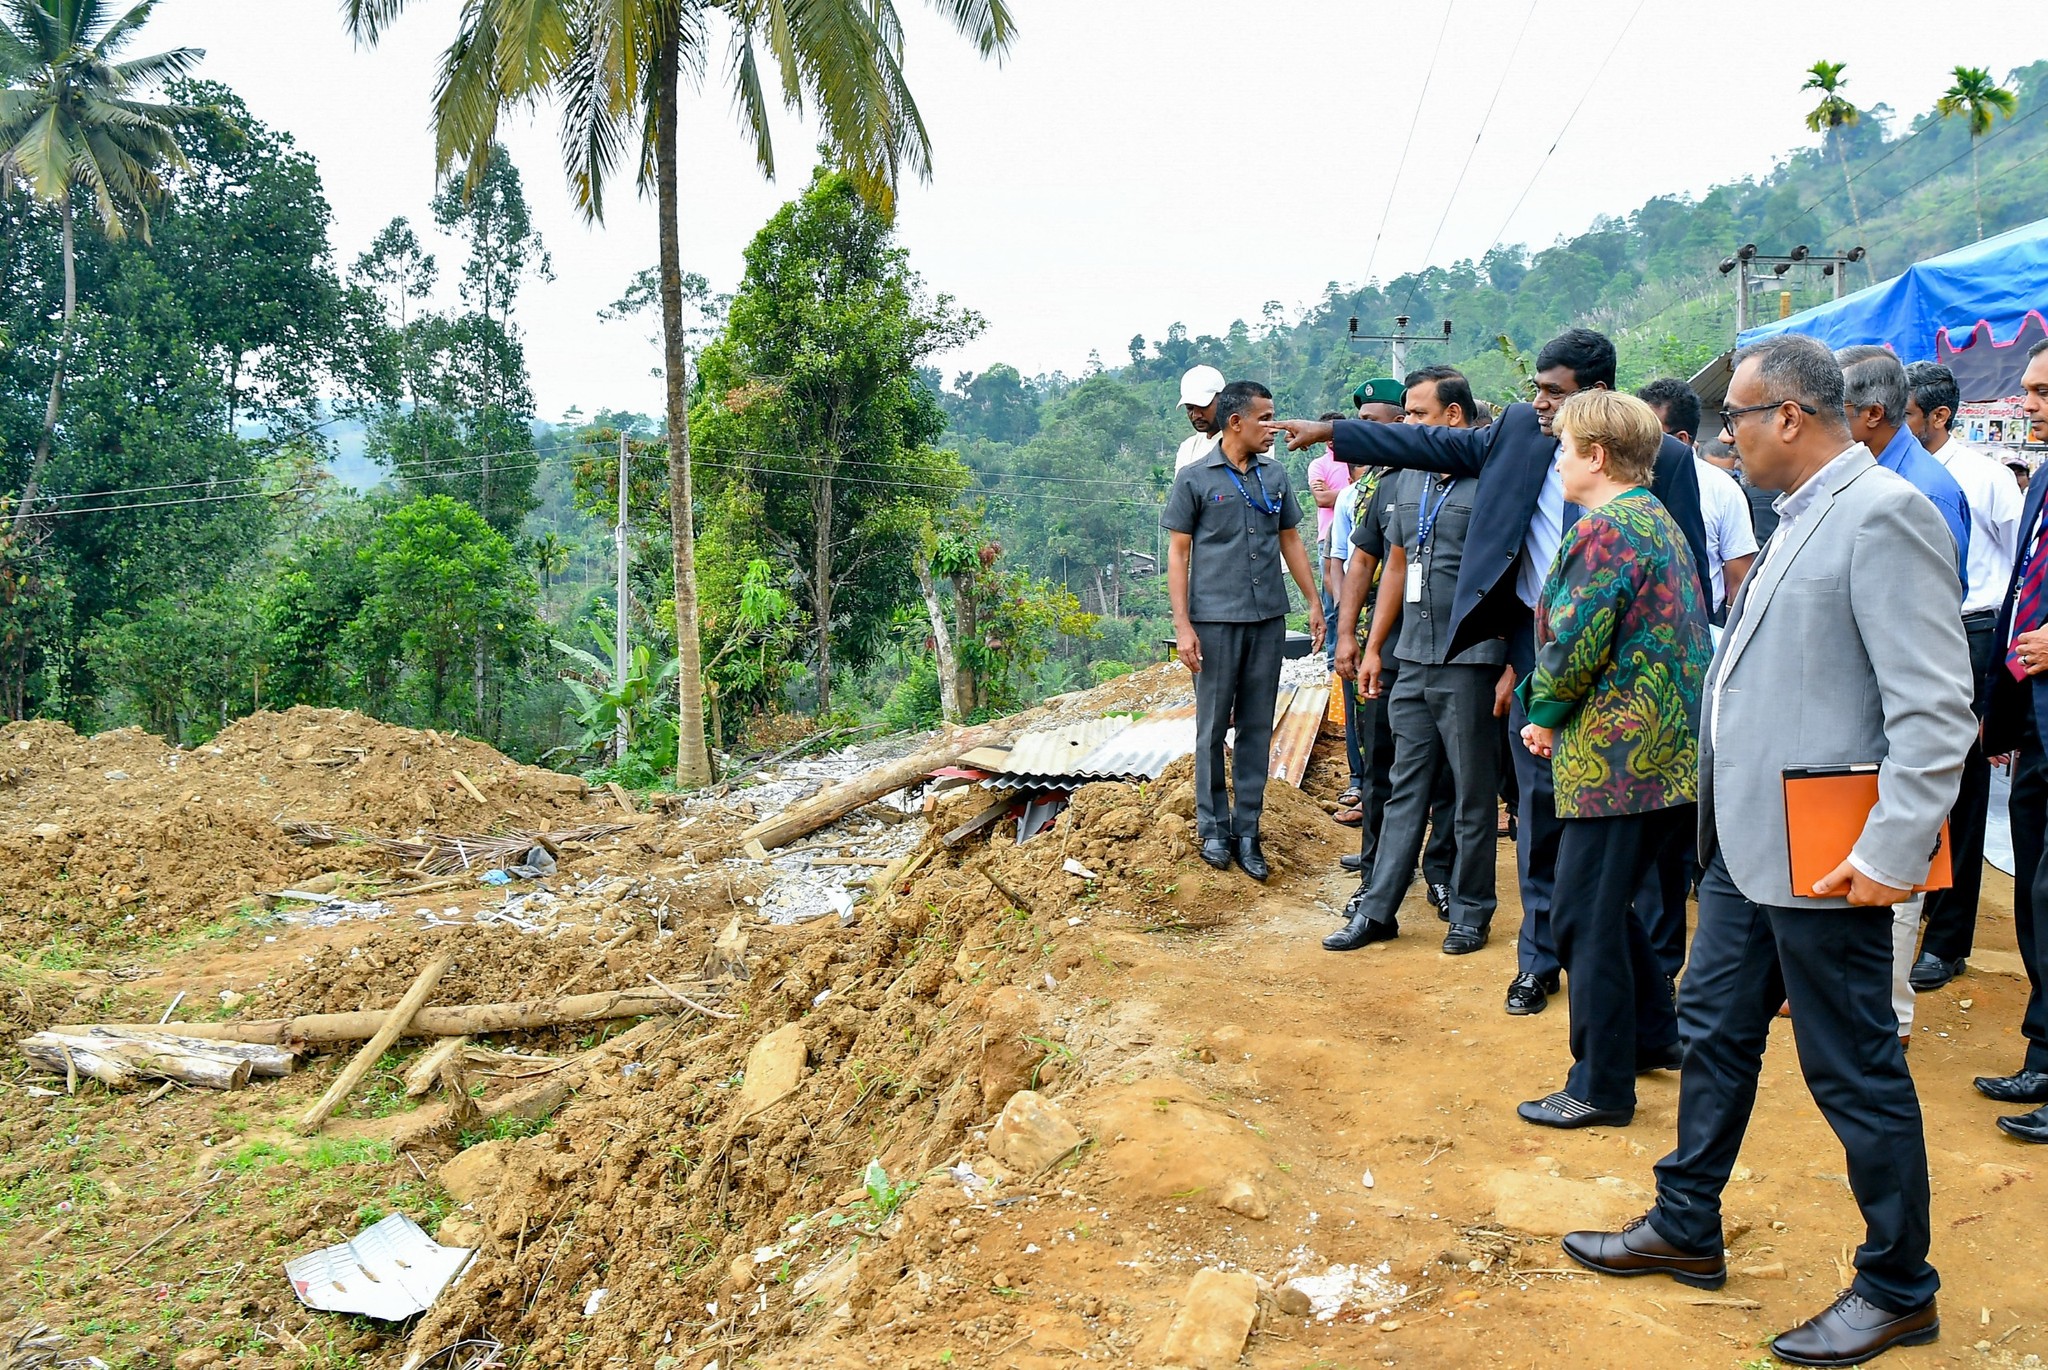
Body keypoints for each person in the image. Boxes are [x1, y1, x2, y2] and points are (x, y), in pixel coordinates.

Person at [1565, 334, 1971, 1367]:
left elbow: (1931, 710)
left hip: (1829, 857)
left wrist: (1889, 847)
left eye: (1738, 419)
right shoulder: (1796, 516)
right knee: (1710, 1028)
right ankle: (1684, 1219)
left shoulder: (1880, 515)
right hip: (1750, 849)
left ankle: (1896, 1284)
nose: (1725, 439)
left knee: (1851, 1068)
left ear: (1786, 414)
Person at [1279, 328, 1712, 1017]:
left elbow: (1683, 579)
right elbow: (1431, 445)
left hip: (1627, 679)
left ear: (1597, 395)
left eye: (1553, 392)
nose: (1537, 402)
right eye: (1535, 388)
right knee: (1539, 815)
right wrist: (1333, 432)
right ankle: (1538, 963)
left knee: (1641, 841)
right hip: (1536, 654)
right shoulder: (1519, 431)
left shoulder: (1659, 461)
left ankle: (1654, 982)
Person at [1515, 390, 1710, 1128]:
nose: (1559, 460)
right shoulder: (1654, 518)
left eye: (1565, 448)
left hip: (1619, 760)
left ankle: (1599, 1085)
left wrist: (1543, 712)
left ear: (1596, 456)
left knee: (1581, 916)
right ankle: (1653, 1037)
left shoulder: (1605, 529)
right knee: (1608, 903)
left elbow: (1575, 637)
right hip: (1665, 755)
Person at [1323, 364, 1509, 956]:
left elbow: (1518, 575)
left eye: (1419, 416)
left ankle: (1471, 910)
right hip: (1412, 657)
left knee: (1473, 794)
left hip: (1470, 659)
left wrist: (1511, 662)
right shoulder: (1406, 484)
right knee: (1405, 787)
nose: (1408, 426)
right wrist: (1374, 646)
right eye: (1405, 416)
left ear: (1454, 417)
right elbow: (1394, 567)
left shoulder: (1494, 479)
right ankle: (1378, 910)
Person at [1837, 345, 1972, 1052]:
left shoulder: (1916, 492)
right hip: (1870, 706)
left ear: (1871, 414)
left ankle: (1889, 1027)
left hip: (1898, 707)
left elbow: (1929, 617)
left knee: (1894, 877)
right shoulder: (1874, 477)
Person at [1164, 380, 1326, 881]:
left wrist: (1314, 601)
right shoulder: (1194, 479)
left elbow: (1292, 540)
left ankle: (1248, 831)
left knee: (1257, 726)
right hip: (1213, 621)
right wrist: (1183, 626)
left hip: (1267, 620)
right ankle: (1212, 829)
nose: (1274, 428)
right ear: (1236, 422)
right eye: (1265, 419)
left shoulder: (1274, 476)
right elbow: (1178, 553)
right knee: (1212, 727)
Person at [1904, 360, 2023, 993]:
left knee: (1962, 780)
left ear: (1938, 417)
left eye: (1907, 414)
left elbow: (2018, 559)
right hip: (1916, 630)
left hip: (1975, 632)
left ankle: (1949, 941)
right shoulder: (1886, 470)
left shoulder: (1984, 477)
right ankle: (1913, 905)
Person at [1326, 380, 1456, 892]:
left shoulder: (1459, 476)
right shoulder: (1384, 488)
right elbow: (1361, 562)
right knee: (1380, 762)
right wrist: (1348, 635)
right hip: (1391, 646)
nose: (1373, 435)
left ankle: (1441, 874)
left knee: (1446, 773)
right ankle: (1376, 870)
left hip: (1447, 648)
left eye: (1383, 424)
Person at [1981, 337, 2048, 1145]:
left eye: (2039, 390)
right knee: (2034, 890)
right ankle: (2041, 1052)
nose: (2027, 402)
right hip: (2034, 722)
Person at [1638, 378, 1757, 618]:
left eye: (1648, 436)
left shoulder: (1723, 490)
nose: (1636, 443)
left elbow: (1739, 578)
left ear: (1680, 440)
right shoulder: (1624, 485)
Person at [1308, 411, 1354, 668]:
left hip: (1356, 535)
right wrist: (1353, 491)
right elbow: (1321, 499)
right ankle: (1332, 661)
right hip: (1328, 537)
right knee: (1331, 601)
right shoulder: (1319, 465)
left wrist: (1335, 493)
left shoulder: (1357, 460)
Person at [1172, 365, 1225, 472]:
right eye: (1190, 408)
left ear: (1223, 399)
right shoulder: (1188, 449)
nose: (1196, 415)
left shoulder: (1248, 444)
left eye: (1203, 406)